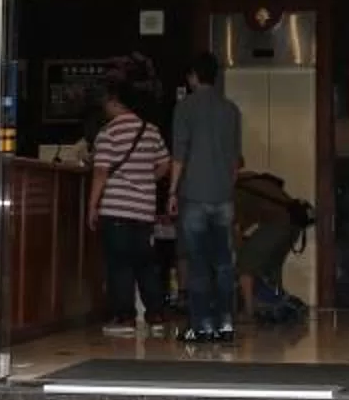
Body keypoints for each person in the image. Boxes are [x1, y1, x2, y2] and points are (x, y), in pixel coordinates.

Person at [168, 51, 245, 344]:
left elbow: (179, 155)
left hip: (194, 194)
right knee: (224, 263)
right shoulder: (231, 110)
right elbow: (235, 162)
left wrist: (172, 191)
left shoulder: (185, 108)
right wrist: (227, 187)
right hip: (223, 195)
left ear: (192, 77)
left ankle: (200, 326)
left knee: (198, 262)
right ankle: (225, 324)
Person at [87, 84, 168, 336]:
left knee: (119, 264)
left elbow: (101, 171)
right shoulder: (151, 130)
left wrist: (92, 205)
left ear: (114, 102)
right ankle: (156, 317)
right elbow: (165, 164)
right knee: (145, 263)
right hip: (144, 209)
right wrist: (145, 181)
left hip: (117, 207)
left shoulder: (108, 132)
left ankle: (125, 319)